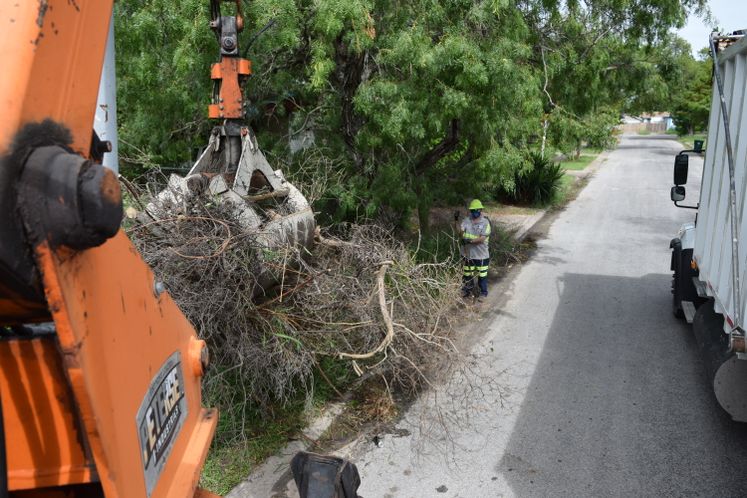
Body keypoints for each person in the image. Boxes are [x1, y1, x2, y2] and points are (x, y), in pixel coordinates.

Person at [455, 199, 491, 300]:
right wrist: (456, 220)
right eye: (472, 210)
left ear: (480, 210)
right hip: (467, 254)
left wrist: (469, 241)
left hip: (481, 255)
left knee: (482, 276)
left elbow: (482, 238)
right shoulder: (466, 221)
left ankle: (483, 293)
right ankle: (467, 291)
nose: (474, 212)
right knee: (467, 274)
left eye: (476, 210)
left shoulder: (485, 223)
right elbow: (460, 233)